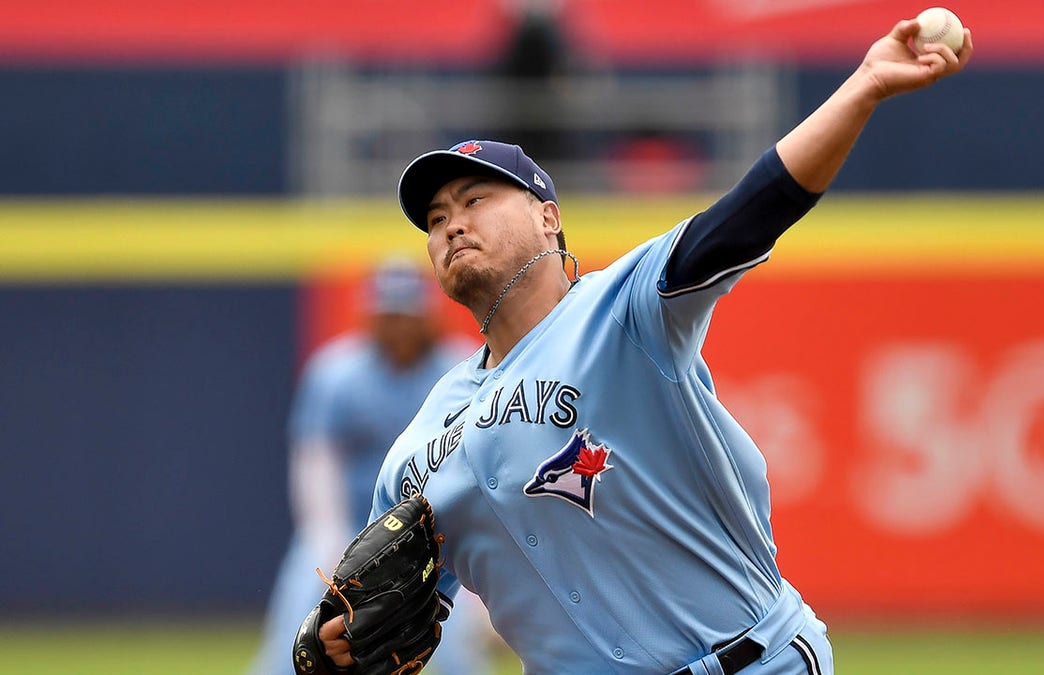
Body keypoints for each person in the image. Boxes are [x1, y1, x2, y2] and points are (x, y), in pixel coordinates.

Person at [318, 16, 973, 674]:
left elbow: (750, 212)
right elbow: (373, 607)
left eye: (475, 198)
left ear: (548, 216)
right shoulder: (419, 449)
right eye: (435, 220)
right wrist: (339, 637)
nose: (453, 224)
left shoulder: (623, 309)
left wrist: (863, 86)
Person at [248, 258, 490, 675]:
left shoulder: (460, 370)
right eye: (388, 312)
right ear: (372, 314)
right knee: (298, 618)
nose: (397, 324)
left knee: (452, 648)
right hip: (349, 530)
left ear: (426, 315)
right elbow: (315, 461)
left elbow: (476, 466)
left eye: (405, 313)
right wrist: (324, 534)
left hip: (430, 536)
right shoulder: (336, 372)